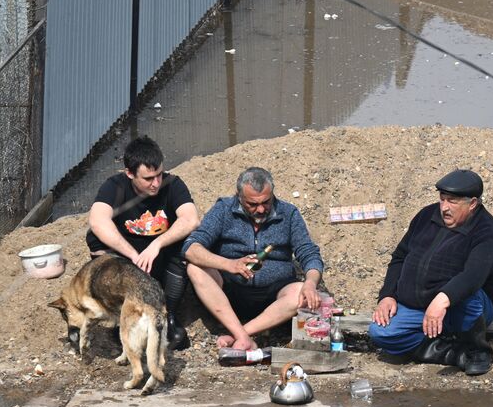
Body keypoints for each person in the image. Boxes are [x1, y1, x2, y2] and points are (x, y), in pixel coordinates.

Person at [369, 169, 493, 376]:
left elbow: (473, 276)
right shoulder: (426, 216)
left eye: (452, 202)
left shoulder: (487, 231)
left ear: (472, 204)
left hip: (463, 308)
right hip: (419, 306)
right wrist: (387, 294)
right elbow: (400, 257)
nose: (444, 207)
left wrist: (442, 299)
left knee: (470, 297)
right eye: (442, 200)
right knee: (381, 332)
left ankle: (477, 350)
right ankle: (452, 353)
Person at [181, 167, 325, 352]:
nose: (261, 209)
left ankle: (239, 335)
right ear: (239, 196)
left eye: (266, 202)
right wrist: (229, 264)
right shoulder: (224, 209)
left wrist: (311, 283)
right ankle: (241, 335)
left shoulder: (288, 213)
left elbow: (309, 253)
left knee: (300, 293)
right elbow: (191, 248)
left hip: (275, 297)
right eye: (252, 204)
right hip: (229, 293)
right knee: (195, 268)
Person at [85, 136, 202, 351]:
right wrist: (131, 254)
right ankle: (122, 316)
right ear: (129, 173)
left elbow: (190, 218)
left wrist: (156, 245)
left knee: (189, 242)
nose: (156, 183)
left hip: (160, 260)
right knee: (95, 239)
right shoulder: (115, 187)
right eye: (148, 178)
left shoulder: (172, 185)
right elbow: (97, 220)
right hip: (128, 262)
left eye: (158, 175)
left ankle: (169, 315)